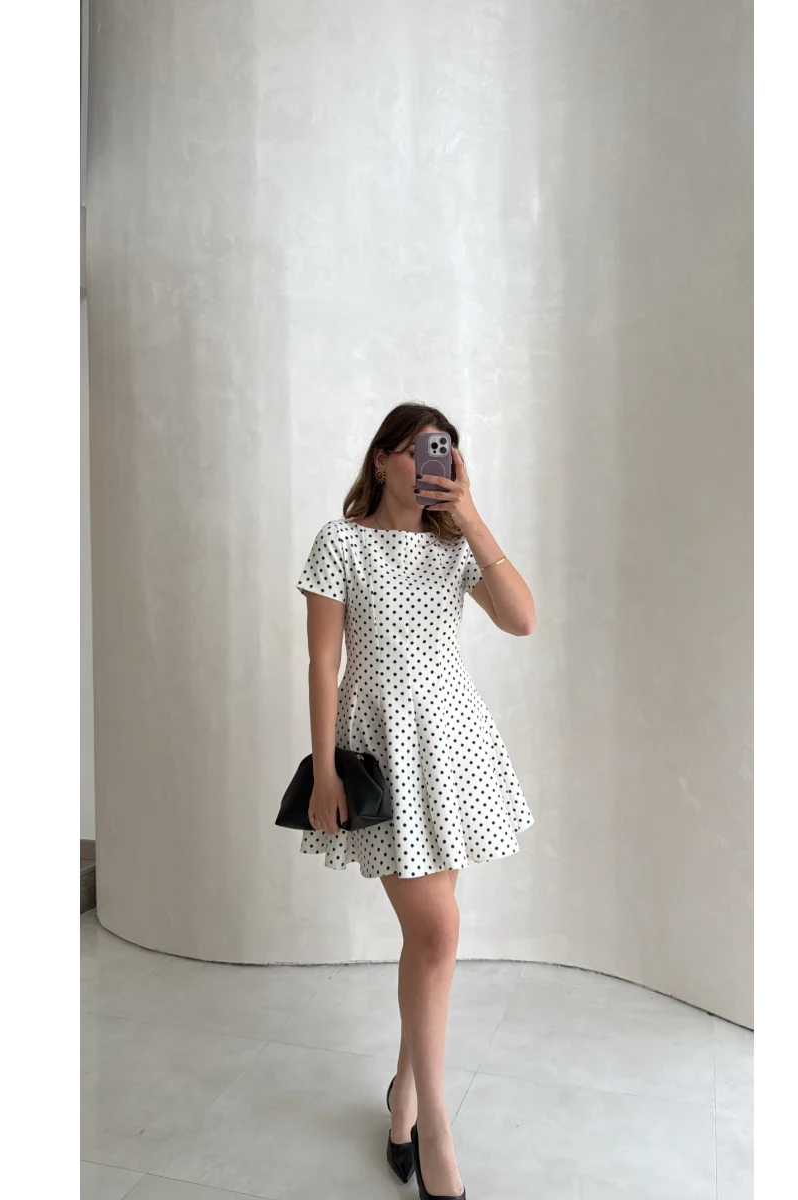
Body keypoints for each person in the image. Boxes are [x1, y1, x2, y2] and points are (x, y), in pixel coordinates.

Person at [295, 402, 536, 1199]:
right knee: (437, 933)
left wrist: (471, 515)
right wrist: (325, 770)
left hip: (454, 750)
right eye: (418, 451)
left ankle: (403, 1096)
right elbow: (322, 663)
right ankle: (435, 1121)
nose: (433, 463)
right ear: (381, 459)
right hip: (382, 755)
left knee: (429, 943)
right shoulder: (341, 542)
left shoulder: (454, 544)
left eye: (445, 452)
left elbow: (523, 620)